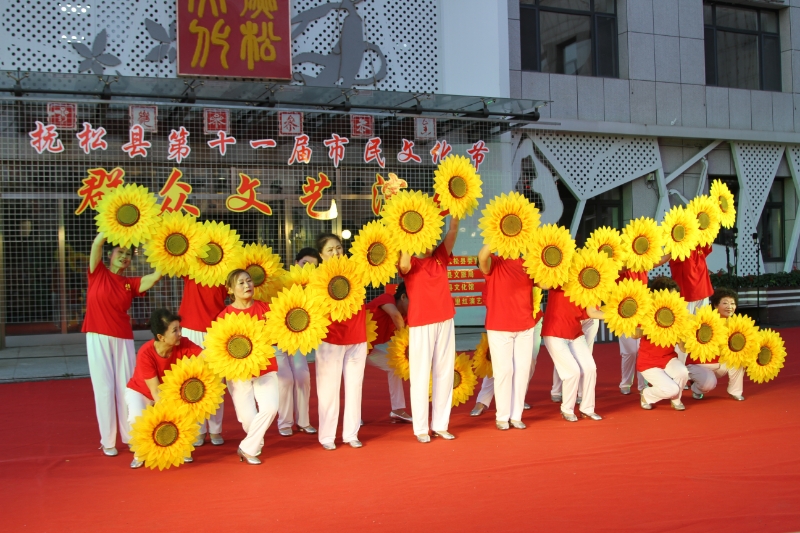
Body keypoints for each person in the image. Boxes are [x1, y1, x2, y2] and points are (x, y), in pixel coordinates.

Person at [84, 232, 162, 457]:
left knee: (125, 387)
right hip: (97, 337)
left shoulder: (130, 283)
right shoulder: (97, 273)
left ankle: (131, 437)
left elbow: (156, 275)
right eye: (120, 252)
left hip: (123, 339)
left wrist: (155, 245)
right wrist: (119, 226)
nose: (124, 257)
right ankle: (108, 441)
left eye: (128, 254)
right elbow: (97, 242)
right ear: (110, 255)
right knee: (104, 388)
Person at [399, 216, 460, 443]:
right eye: (425, 237)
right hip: (421, 324)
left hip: (445, 321)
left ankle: (441, 424)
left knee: (444, 373)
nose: (431, 242)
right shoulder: (410, 263)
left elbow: (453, 229)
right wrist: (409, 230)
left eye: (433, 238)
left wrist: (456, 209)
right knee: (421, 375)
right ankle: (421, 428)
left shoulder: (440, 258)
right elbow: (404, 264)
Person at [469, 244, 540, 430]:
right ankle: (502, 417)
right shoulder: (495, 262)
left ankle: (516, 416)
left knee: (522, 371)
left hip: (525, 326)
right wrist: (499, 236)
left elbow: (546, 283)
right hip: (499, 327)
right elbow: (482, 257)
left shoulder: (528, 263)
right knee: (504, 371)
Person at [126, 309, 202, 468]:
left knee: (190, 408)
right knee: (136, 419)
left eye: (180, 328)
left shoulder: (183, 343)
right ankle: (140, 453)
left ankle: (182, 449)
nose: (180, 333)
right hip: (142, 391)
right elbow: (155, 391)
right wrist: (169, 416)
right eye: (175, 330)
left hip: (169, 393)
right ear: (161, 337)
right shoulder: (145, 353)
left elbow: (204, 356)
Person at [218, 269, 279, 465]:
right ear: (230, 289)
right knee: (247, 419)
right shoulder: (224, 316)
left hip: (265, 368)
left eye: (249, 281)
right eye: (241, 283)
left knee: (270, 408)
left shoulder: (266, 309)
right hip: (238, 373)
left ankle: (246, 448)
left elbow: (277, 337)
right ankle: (253, 444)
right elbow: (218, 348)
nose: (247, 286)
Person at [314, 234, 368, 450]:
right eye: (330, 250)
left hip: (357, 337)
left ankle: (351, 433)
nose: (336, 253)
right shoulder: (317, 278)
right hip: (330, 339)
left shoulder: (355, 270)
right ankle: (327, 436)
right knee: (328, 390)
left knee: (355, 387)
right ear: (321, 255)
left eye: (338, 248)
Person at [541, 286, 605, 422]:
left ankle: (587, 408)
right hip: (554, 332)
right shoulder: (560, 275)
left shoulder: (592, 283)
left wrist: (619, 315)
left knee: (590, 368)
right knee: (573, 372)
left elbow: (592, 311)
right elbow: (543, 284)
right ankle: (567, 409)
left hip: (575, 333)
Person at [275, 247, 320, 436]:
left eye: (313, 266)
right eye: (304, 264)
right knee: (284, 379)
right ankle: (285, 423)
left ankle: (303, 421)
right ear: (296, 263)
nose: (308, 268)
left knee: (302, 376)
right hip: (275, 340)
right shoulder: (279, 282)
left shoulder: (317, 288)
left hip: (298, 341)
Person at [178, 276, 228, 447]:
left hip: (216, 330)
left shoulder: (225, 268)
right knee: (191, 382)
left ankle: (215, 429)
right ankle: (198, 429)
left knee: (216, 382)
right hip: (190, 329)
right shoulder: (191, 267)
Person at [637, 276, 689, 411]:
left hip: (668, 358)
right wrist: (655, 323)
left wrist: (687, 335)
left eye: (675, 297)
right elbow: (634, 334)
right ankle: (647, 394)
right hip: (648, 362)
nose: (674, 300)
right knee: (671, 389)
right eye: (670, 296)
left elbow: (683, 349)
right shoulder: (647, 313)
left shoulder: (678, 315)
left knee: (683, 372)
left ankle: (676, 400)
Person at [687, 288, 746, 401]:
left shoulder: (737, 324)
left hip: (721, 364)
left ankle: (735, 391)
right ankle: (697, 388)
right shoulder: (704, 320)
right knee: (709, 384)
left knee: (740, 359)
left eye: (732, 303)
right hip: (700, 364)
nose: (730, 307)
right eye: (725, 303)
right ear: (715, 305)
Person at [365, 282, 412, 423]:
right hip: (351, 344)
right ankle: (352, 417)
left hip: (368, 349)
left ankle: (397, 410)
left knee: (394, 366)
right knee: (352, 380)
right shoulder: (387, 299)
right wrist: (406, 337)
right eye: (414, 301)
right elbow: (395, 315)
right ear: (403, 297)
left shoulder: (407, 317)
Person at [668, 244, 714, 364]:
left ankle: (695, 368)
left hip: (703, 292)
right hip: (685, 296)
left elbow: (708, 242)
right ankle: (678, 369)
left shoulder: (698, 243)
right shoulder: (677, 245)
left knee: (702, 332)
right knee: (683, 334)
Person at [549, 318, 598, 404]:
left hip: (591, 317)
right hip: (570, 315)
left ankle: (582, 393)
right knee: (563, 354)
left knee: (586, 354)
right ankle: (556, 390)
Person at [616, 267, 649, 395]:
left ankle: (643, 385)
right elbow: (615, 269)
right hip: (623, 310)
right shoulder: (620, 258)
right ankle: (625, 382)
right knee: (629, 352)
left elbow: (658, 261)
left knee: (643, 350)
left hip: (642, 308)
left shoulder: (644, 258)